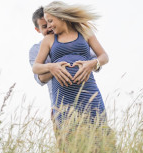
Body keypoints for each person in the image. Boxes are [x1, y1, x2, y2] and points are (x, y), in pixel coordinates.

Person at [32, 1, 109, 132]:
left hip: (89, 95)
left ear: (61, 16)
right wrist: (51, 67)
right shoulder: (48, 40)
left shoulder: (84, 32)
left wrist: (92, 64)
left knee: (98, 138)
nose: (49, 27)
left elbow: (104, 57)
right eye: (46, 24)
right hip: (63, 101)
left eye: (50, 21)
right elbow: (36, 67)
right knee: (70, 143)